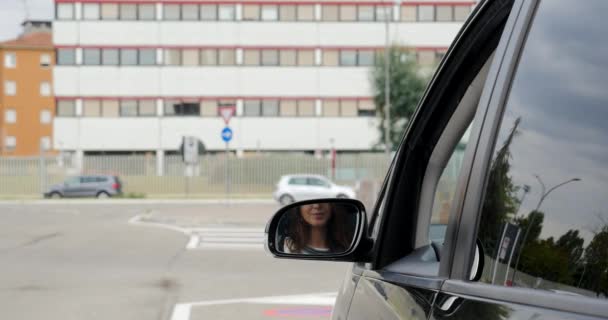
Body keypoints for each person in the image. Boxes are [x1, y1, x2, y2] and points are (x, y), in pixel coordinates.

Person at [283, 202, 353, 254]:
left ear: (332, 207)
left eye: (324, 200)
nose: (317, 206)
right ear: (299, 210)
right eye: (308, 201)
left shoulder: (349, 248)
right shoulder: (289, 245)